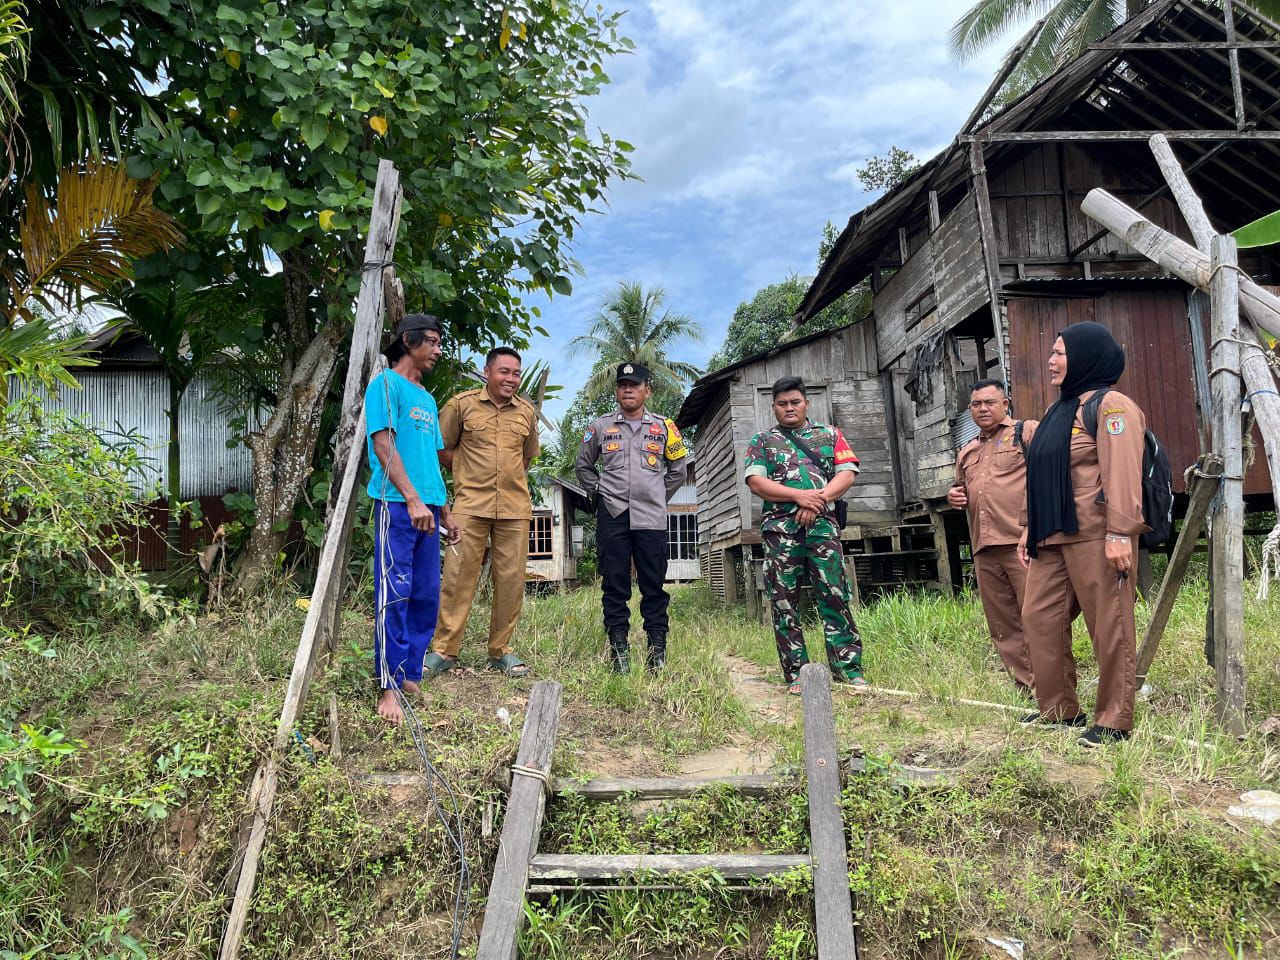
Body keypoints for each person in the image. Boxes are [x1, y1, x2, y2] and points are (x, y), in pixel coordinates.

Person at [1019, 321, 1148, 748]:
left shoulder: (1112, 407)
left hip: (1096, 533)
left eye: (1060, 352)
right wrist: (1027, 529)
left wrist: (1119, 533)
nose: (1051, 361)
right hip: (1052, 535)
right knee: (1039, 618)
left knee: (1108, 624)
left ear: (1086, 356)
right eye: (1052, 352)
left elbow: (1122, 474)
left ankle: (1114, 719)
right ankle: (1059, 710)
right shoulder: (1063, 409)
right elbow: (1039, 474)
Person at [366, 313, 460, 724]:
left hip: (428, 510)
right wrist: (411, 499)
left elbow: (431, 462)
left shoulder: (426, 398)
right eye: (433, 342)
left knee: (426, 594)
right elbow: (383, 445)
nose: (438, 350)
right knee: (395, 591)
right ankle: (387, 685)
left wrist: (444, 510)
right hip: (397, 505)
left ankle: (409, 673)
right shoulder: (386, 385)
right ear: (409, 341)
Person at [744, 376, 865, 694]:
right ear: (774, 407)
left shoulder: (829, 434)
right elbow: (756, 483)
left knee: (834, 596)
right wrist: (798, 497)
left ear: (806, 403)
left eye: (795, 402)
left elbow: (847, 472)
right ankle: (796, 673)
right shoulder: (762, 441)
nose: (789, 408)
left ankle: (848, 670)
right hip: (781, 533)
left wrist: (818, 499)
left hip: (822, 528)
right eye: (782, 404)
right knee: (784, 602)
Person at [429, 347, 539, 678]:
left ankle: (500, 651)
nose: (511, 379)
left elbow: (527, 457)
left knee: (510, 581)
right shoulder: (460, 405)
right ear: (488, 372)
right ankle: (445, 651)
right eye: (504, 371)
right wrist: (466, 469)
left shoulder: (526, 413)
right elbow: (440, 447)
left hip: (514, 508)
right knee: (457, 577)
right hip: (470, 506)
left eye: (516, 373)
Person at [575, 362, 690, 673]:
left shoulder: (665, 427)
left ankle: (657, 651)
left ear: (646, 390)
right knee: (615, 585)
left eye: (635, 384)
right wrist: (599, 493)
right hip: (613, 515)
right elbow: (583, 466)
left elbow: (679, 469)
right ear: (617, 390)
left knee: (654, 585)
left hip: (651, 518)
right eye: (623, 384)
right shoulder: (600, 427)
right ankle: (619, 651)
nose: (629, 389)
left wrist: (656, 495)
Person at [947, 379, 1036, 693]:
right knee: (1002, 623)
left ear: (1005, 404)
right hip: (984, 545)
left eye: (989, 402)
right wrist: (954, 497)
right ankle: (1027, 686)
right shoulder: (967, 450)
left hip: (1021, 542)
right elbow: (962, 489)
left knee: (1037, 616)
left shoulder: (1026, 433)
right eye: (976, 404)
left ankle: (1053, 682)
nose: (982, 409)